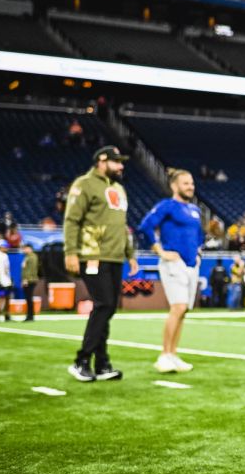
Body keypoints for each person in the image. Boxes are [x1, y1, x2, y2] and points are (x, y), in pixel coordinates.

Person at [63, 145, 138, 383]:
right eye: (116, 162)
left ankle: (102, 364)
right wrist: (71, 252)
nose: (121, 166)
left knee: (108, 307)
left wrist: (130, 254)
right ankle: (81, 360)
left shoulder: (119, 188)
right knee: (104, 304)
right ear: (101, 161)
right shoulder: (84, 184)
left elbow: (122, 225)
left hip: (115, 256)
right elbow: (72, 220)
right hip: (92, 254)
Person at [138, 168, 204, 373]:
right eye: (185, 183)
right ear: (174, 186)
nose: (190, 187)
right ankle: (164, 355)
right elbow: (145, 226)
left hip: (191, 265)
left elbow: (198, 236)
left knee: (183, 311)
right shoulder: (167, 206)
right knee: (178, 307)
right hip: (173, 264)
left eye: (191, 183)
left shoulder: (195, 210)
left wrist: (198, 253)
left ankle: (173, 354)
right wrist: (161, 251)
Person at [20, 243, 39, 321]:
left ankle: (30, 316)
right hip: (28, 279)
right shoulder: (27, 257)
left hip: (30, 280)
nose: (24, 250)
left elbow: (31, 269)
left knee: (29, 298)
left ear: (29, 248)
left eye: (25, 248)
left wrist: (26, 279)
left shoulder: (32, 257)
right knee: (28, 299)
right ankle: (29, 315)